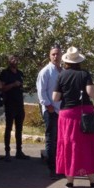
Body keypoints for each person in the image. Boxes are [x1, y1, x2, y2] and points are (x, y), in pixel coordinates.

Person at [52, 46, 94, 188]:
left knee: (69, 146)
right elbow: (91, 93)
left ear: (66, 61)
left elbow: (55, 97)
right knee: (88, 145)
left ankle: (70, 181)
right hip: (85, 114)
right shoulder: (85, 74)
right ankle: (93, 182)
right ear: (79, 61)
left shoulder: (61, 75)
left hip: (67, 115)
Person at [36, 45, 62, 179]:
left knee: (59, 139)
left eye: (58, 54)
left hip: (62, 111)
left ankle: (59, 166)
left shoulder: (62, 71)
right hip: (50, 110)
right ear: (49, 55)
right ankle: (52, 168)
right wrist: (48, 105)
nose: (55, 57)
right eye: (53, 54)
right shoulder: (45, 71)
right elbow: (41, 91)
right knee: (51, 139)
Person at [0, 54, 30, 161]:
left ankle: (19, 151)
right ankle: (7, 152)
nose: (15, 61)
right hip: (10, 104)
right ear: (8, 61)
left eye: (16, 59)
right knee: (8, 128)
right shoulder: (5, 73)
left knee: (19, 128)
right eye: (12, 59)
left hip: (19, 104)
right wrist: (13, 84)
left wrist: (20, 86)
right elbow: (2, 88)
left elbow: (21, 86)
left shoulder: (20, 73)